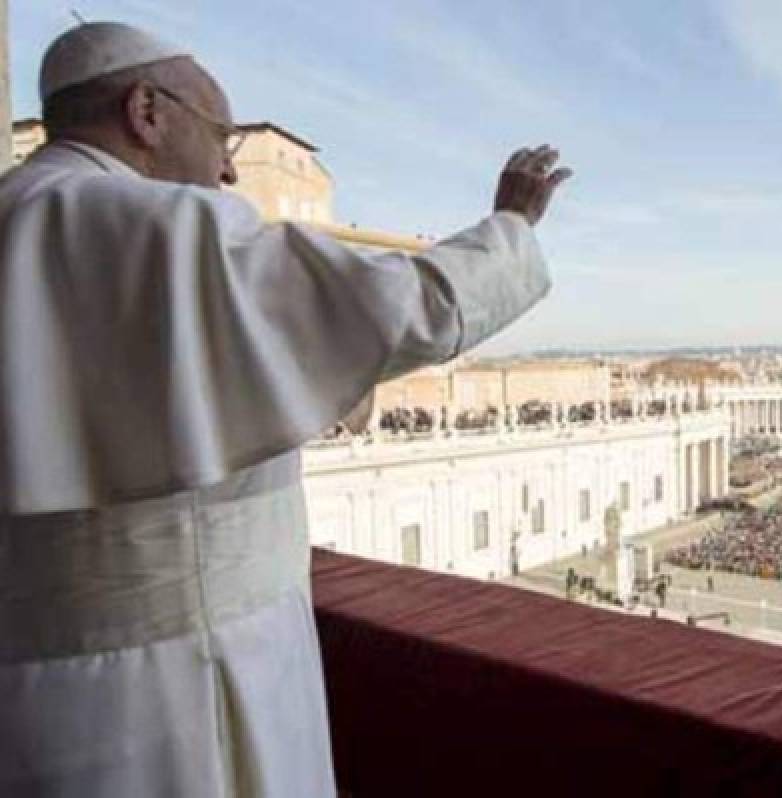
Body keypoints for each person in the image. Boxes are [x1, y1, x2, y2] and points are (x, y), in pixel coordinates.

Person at [0, 21, 571, 798]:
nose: (229, 170)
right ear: (146, 111)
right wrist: (511, 227)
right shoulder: (156, 224)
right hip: (176, 691)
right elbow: (404, 309)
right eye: (221, 135)